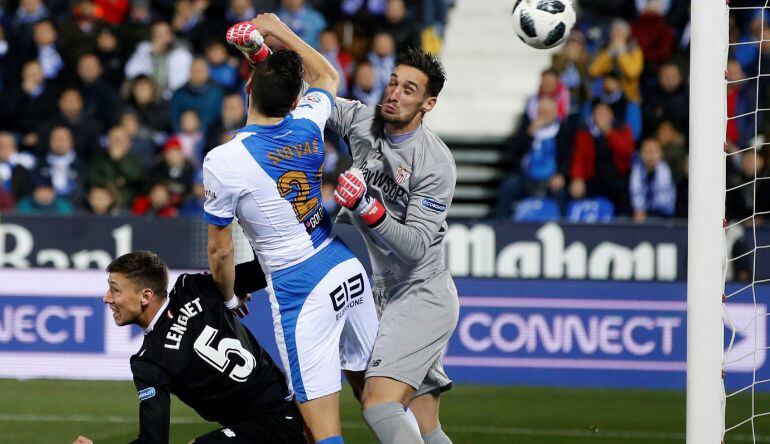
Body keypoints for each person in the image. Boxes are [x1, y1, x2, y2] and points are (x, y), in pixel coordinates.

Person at [209, 15, 378, 443]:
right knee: (381, 401)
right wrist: (277, 28)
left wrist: (228, 296)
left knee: (320, 431)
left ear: (248, 89)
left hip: (301, 288)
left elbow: (220, 253)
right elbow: (326, 74)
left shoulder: (224, 160)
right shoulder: (308, 121)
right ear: (293, 100)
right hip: (345, 266)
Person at [328, 48, 458, 444]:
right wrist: (266, 49)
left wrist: (367, 206)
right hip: (385, 292)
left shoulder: (434, 162)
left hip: (422, 293)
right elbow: (309, 97)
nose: (395, 94)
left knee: (378, 401)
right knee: (423, 424)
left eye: (409, 89)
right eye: (394, 83)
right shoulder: (363, 122)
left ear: (427, 103)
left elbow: (417, 246)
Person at [71, 251, 305, 444]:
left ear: (145, 296)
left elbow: (153, 442)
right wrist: (230, 295)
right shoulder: (192, 287)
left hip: (271, 427)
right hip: (297, 407)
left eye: (115, 289)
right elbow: (262, 270)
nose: (107, 298)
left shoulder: (150, 361)